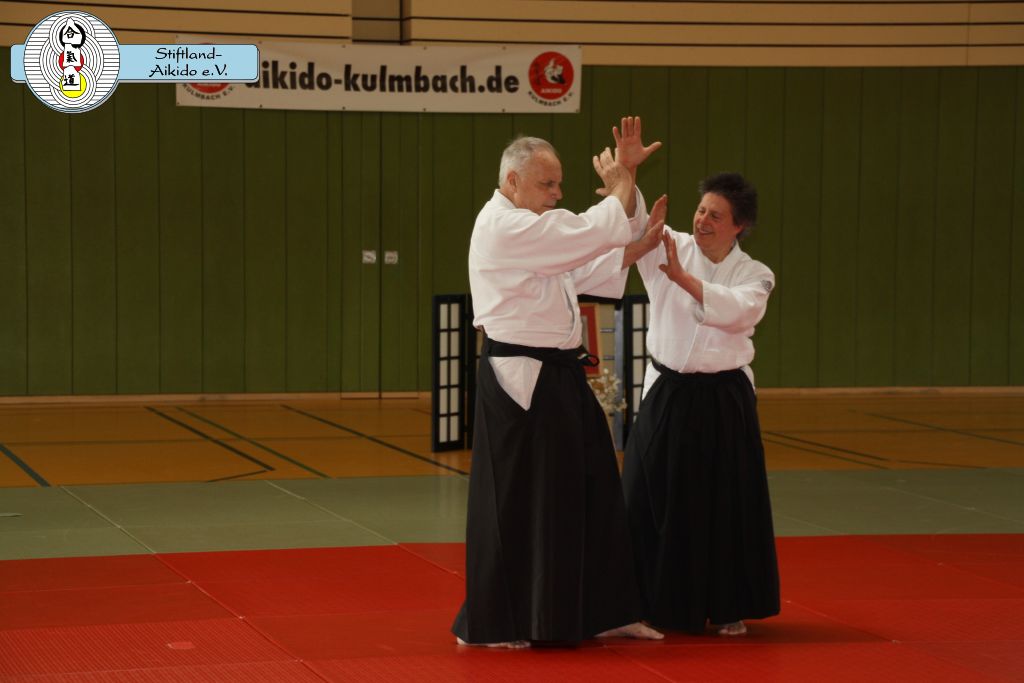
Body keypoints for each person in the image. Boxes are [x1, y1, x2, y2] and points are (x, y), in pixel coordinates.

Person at [452, 119, 666, 648]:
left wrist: (635, 236)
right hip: (521, 381)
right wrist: (622, 182)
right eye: (547, 184)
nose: (558, 193)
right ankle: (500, 622)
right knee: (521, 503)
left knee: (594, 489)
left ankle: (607, 610)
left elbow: (584, 264)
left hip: (561, 374)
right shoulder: (502, 226)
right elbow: (585, 233)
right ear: (512, 181)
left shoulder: (533, 230)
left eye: (560, 183)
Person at [622, 172, 780, 636]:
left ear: (739, 226)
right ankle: (641, 601)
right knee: (645, 495)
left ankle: (727, 603)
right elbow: (634, 225)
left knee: (725, 503)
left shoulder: (756, 273)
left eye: (716, 216)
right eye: (701, 210)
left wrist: (685, 280)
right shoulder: (668, 245)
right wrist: (627, 176)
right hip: (668, 390)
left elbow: (738, 311)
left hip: (724, 397)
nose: (703, 220)